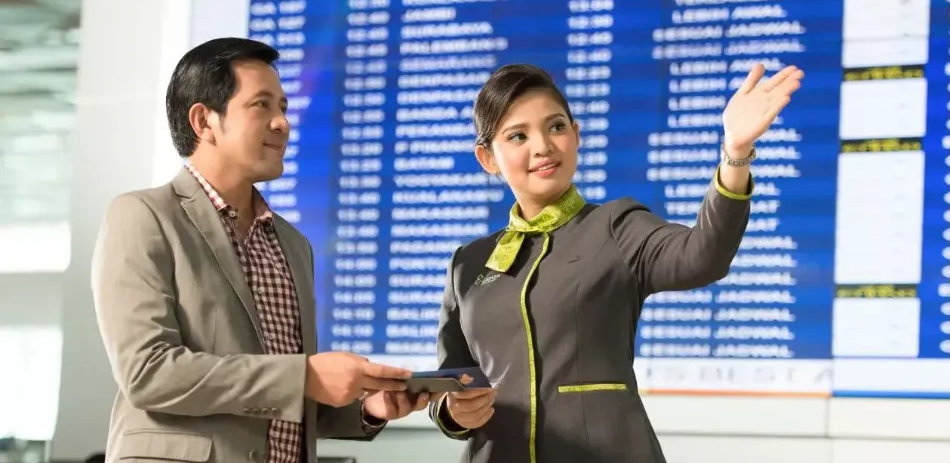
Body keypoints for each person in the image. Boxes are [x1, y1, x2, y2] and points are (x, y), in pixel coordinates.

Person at [427, 62, 803, 462]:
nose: (542, 146)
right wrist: (450, 411)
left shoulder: (615, 226)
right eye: (518, 135)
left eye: (555, 127)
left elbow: (703, 256)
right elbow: (451, 381)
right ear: (488, 158)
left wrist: (736, 154)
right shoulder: (468, 264)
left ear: (576, 135)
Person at [92, 37, 428, 463]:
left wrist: (366, 407)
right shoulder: (143, 216)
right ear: (204, 121)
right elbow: (148, 373)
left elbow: (277, 402)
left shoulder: (292, 245)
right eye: (262, 105)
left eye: (284, 107)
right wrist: (303, 375)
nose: (282, 123)